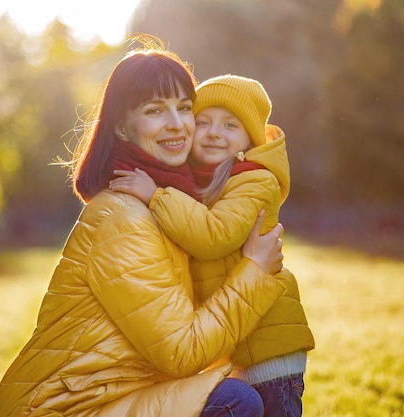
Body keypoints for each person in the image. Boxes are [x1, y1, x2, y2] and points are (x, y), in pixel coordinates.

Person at [0, 37, 288, 417]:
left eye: (184, 108)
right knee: (236, 401)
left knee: (242, 387)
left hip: (117, 396)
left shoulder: (168, 206)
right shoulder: (124, 219)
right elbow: (183, 352)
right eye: (155, 110)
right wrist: (255, 273)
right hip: (67, 408)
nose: (177, 124)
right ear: (122, 128)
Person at [109, 74, 315, 417]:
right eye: (203, 122)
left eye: (230, 125)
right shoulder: (201, 181)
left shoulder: (256, 180)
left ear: (249, 138)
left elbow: (214, 236)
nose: (214, 132)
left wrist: (155, 196)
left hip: (268, 352)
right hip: (239, 345)